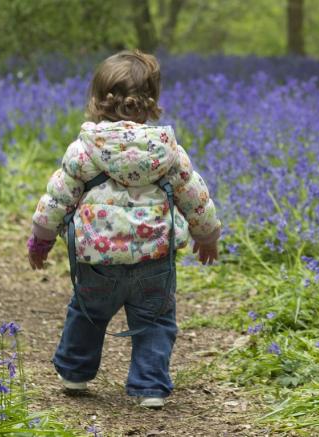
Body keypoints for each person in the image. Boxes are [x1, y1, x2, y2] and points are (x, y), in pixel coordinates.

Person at [27, 50, 221, 409]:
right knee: (156, 320)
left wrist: (42, 238)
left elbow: (57, 197)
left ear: (97, 101)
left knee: (87, 312)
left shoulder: (84, 151)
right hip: (154, 260)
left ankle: (75, 372)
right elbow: (195, 196)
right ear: (152, 103)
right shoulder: (168, 152)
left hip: (97, 259)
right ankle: (149, 387)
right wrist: (206, 235)